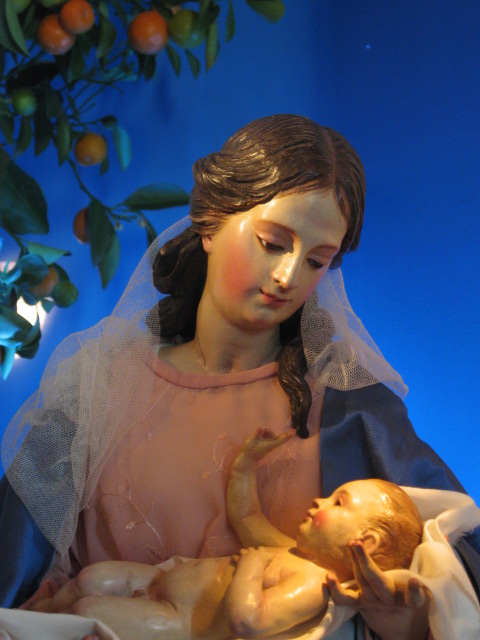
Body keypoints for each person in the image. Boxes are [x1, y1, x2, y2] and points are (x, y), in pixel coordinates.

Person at [1, 114, 479, 640]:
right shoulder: (100, 386)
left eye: (317, 260)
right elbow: (15, 572)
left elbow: (447, 576)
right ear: (210, 222)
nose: (288, 276)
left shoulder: (349, 409)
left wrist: (406, 621)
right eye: (273, 242)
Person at [26, 429, 424, 640]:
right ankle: (27, 617)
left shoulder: (314, 585)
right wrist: (245, 465)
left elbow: (247, 622)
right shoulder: (291, 551)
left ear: (366, 542)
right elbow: (247, 516)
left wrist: (250, 566)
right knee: (89, 579)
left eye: (338, 503)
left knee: (87, 613)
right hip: (161, 579)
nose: (320, 500)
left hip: (180, 622)